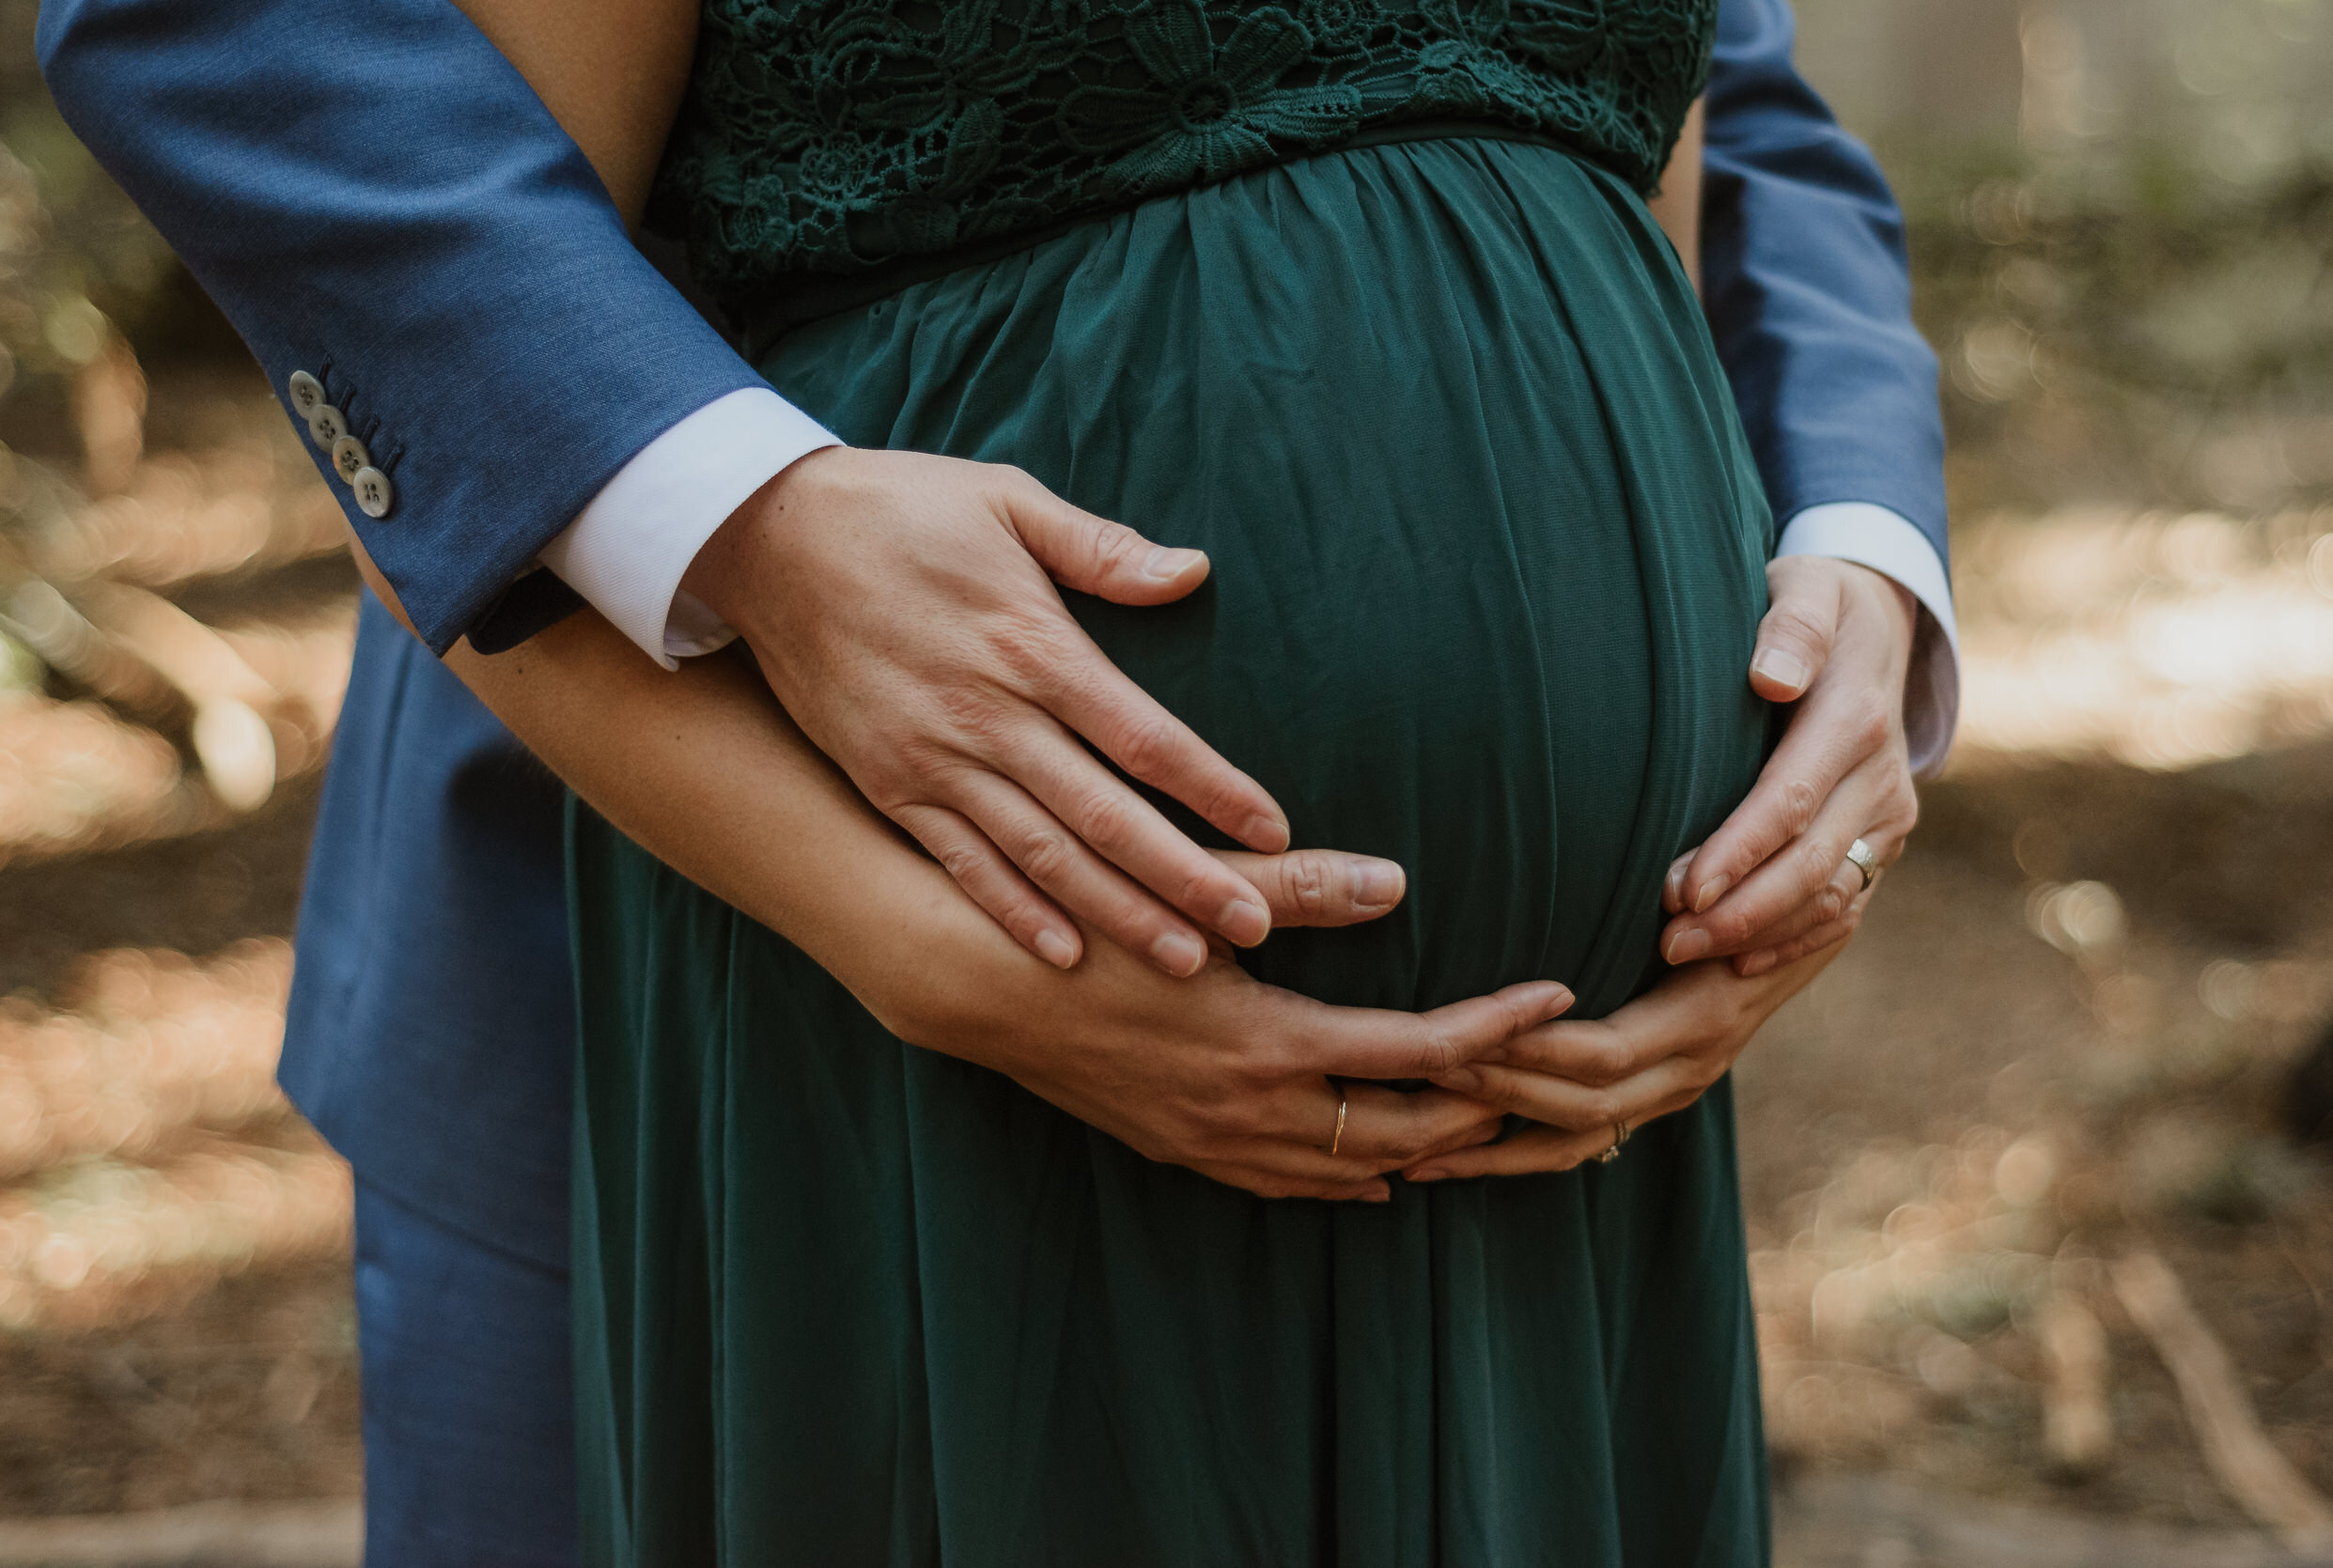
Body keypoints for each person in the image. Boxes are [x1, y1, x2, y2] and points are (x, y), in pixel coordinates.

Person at [35, 0, 1952, 1560]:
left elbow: (1710, 91)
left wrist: (1853, 555)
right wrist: (741, 521)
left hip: (1551, 1152)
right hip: (725, 915)